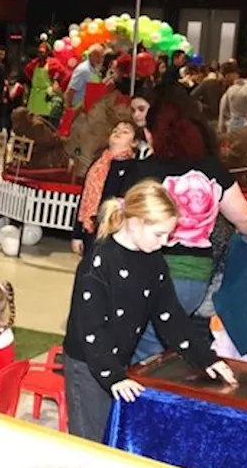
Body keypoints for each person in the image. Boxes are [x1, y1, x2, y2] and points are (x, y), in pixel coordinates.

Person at [63, 180, 236, 441]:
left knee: (113, 433)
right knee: (91, 440)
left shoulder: (153, 260)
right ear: (134, 222)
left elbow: (170, 316)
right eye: (159, 234)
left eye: (169, 235)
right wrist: (114, 376)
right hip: (88, 364)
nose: (165, 243)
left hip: (119, 360)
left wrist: (205, 358)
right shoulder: (98, 261)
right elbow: (91, 329)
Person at [111, 94, 247, 362]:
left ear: (150, 134)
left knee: (139, 352)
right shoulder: (211, 169)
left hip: (143, 274)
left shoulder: (142, 171)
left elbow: (117, 221)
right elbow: (245, 217)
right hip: (192, 281)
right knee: (159, 348)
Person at [73, 120, 139, 256]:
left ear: (134, 142)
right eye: (115, 130)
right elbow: (85, 197)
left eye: (125, 132)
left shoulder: (134, 168)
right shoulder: (98, 164)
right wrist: (77, 233)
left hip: (113, 230)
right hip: (91, 227)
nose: (118, 133)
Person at [65, 44, 106, 113]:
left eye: (102, 56)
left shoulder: (95, 69)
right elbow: (70, 91)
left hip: (89, 110)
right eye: (97, 55)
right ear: (90, 55)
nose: (100, 59)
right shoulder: (83, 70)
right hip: (78, 110)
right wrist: (68, 110)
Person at [218, 62, 247, 131]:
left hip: (232, 124)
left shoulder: (230, 89)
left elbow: (223, 110)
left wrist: (221, 129)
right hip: (246, 126)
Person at [191, 62, 231, 129]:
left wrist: (202, 106)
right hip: (220, 120)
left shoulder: (207, 83)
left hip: (212, 118)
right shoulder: (209, 84)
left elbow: (191, 96)